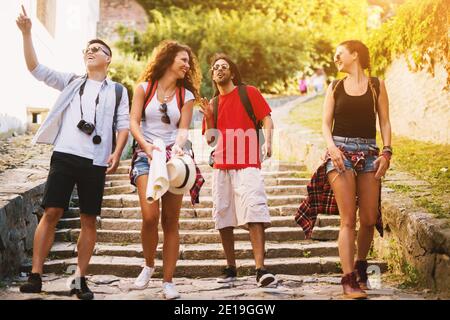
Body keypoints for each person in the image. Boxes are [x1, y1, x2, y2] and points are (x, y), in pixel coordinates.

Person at [16, 6, 130, 300]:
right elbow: (35, 69)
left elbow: (123, 124)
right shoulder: (70, 82)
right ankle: (36, 276)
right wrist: (28, 33)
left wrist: (117, 152)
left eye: (96, 48)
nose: (89, 52)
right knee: (52, 211)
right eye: (87, 49)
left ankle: (80, 280)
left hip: (95, 161)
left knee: (89, 219)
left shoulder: (117, 91)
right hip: (65, 154)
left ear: (108, 58)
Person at [296, 40, 392, 299]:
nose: (336, 59)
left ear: (355, 54)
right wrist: (333, 150)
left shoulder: (376, 85)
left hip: (370, 153)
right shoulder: (335, 87)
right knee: (348, 219)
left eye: (339, 54)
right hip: (340, 153)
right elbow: (326, 124)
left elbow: (384, 120)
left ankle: (361, 265)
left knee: (370, 217)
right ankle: (348, 279)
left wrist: (387, 150)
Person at [129, 40, 203, 299]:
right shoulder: (144, 88)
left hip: (174, 157)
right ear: (168, 59)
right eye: (183, 60)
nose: (187, 65)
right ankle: (148, 265)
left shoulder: (186, 96)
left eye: (188, 61)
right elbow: (134, 122)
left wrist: (180, 147)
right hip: (146, 154)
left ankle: (168, 281)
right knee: (150, 216)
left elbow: (183, 130)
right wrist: (146, 146)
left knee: (170, 220)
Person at [199, 53, 277, 288]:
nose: (219, 70)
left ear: (232, 72)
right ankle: (230, 266)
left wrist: (269, 142)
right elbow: (211, 140)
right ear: (212, 76)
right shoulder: (212, 103)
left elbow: (267, 120)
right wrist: (209, 118)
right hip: (222, 167)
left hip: (248, 163)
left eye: (224, 66)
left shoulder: (248, 92)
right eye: (215, 68)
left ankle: (260, 269)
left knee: (254, 211)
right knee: (223, 216)